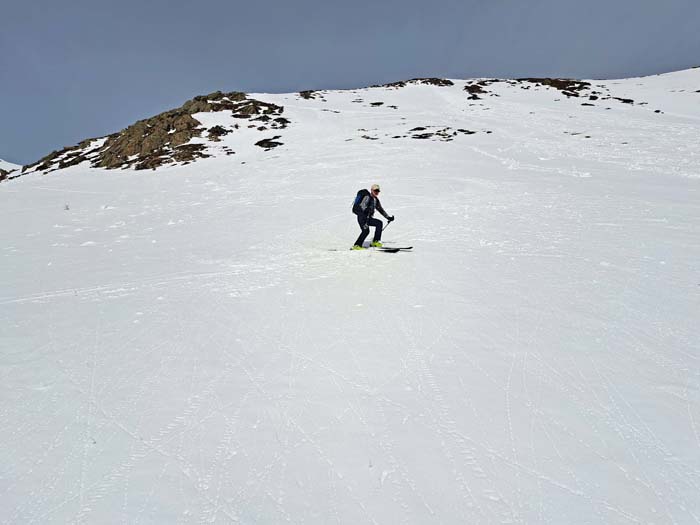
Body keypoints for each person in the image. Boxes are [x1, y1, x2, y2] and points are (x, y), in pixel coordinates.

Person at [352, 184, 394, 249]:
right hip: (362, 218)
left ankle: (375, 241)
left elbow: (380, 209)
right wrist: (366, 209)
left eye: (378, 191)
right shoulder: (367, 197)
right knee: (366, 231)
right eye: (375, 190)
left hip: (368, 218)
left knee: (379, 223)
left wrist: (388, 217)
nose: (377, 192)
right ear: (371, 190)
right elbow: (362, 206)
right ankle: (357, 245)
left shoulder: (375, 200)